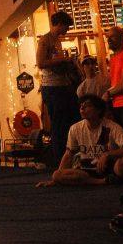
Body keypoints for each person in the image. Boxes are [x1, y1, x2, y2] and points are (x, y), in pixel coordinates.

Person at [36, 95, 123, 187]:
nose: (82, 108)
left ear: (98, 110)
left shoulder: (112, 126)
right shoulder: (75, 128)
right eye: (81, 105)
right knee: (57, 175)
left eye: (87, 106)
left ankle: (97, 180)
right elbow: (68, 154)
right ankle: (101, 181)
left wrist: (108, 155)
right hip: (85, 171)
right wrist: (56, 180)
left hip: (108, 167)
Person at [35, 11, 80, 167]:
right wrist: (64, 59)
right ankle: (58, 160)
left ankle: (66, 158)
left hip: (61, 86)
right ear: (60, 24)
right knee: (58, 124)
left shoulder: (56, 41)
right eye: (66, 26)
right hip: (52, 88)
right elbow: (41, 63)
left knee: (68, 121)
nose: (67, 30)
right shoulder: (45, 40)